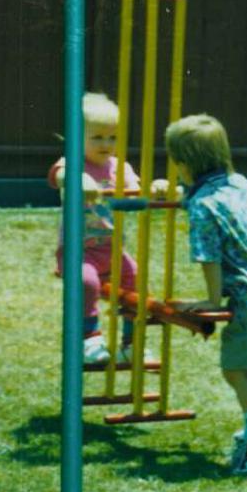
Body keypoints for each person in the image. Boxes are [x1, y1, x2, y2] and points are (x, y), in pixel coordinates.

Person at [165, 113, 247, 477]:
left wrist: (211, 301)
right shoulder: (242, 184)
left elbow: (210, 258)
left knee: (235, 368)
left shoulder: (203, 207)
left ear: (184, 164)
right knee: (244, 368)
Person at [49, 92, 140, 364]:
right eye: (97, 137)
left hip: (112, 249)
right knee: (86, 282)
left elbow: (135, 190)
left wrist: (151, 190)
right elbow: (58, 175)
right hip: (79, 251)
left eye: (112, 137)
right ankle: (90, 339)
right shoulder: (72, 163)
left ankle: (130, 342)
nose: (106, 143)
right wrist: (78, 179)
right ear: (77, 136)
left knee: (134, 277)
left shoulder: (119, 167)